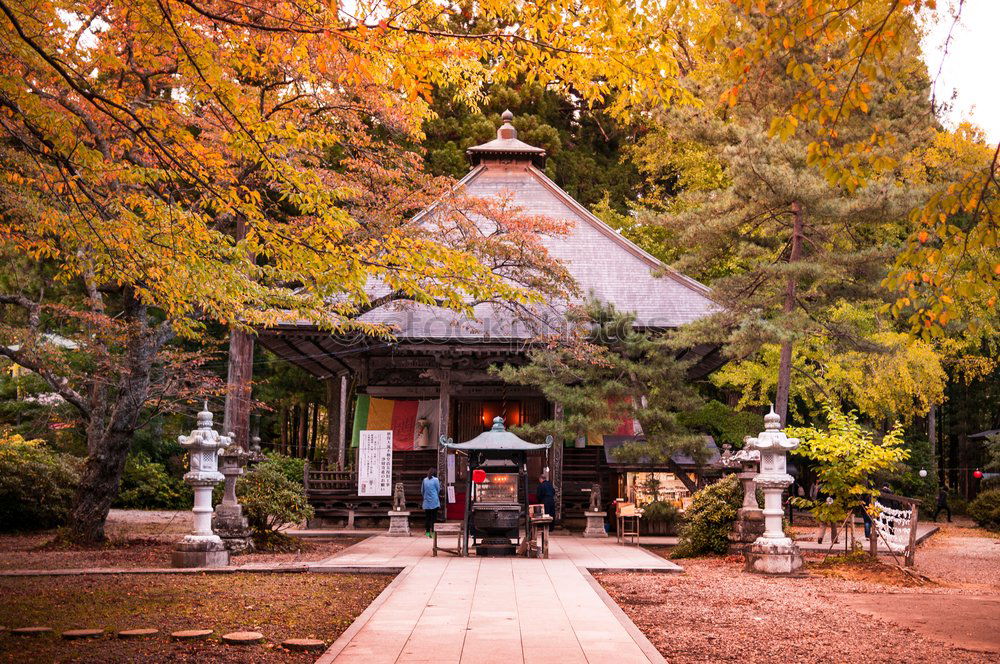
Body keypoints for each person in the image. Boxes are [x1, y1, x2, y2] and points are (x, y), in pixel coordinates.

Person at [421, 468, 441, 538]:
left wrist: (425, 497)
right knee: (433, 518)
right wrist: (434, 495)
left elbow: (422, 491)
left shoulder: (424, 480)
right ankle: (433, 534)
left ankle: (427, 533)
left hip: (426, 502)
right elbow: (438, 489)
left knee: (427, 518)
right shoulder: (436, 480)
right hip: (434, 501)